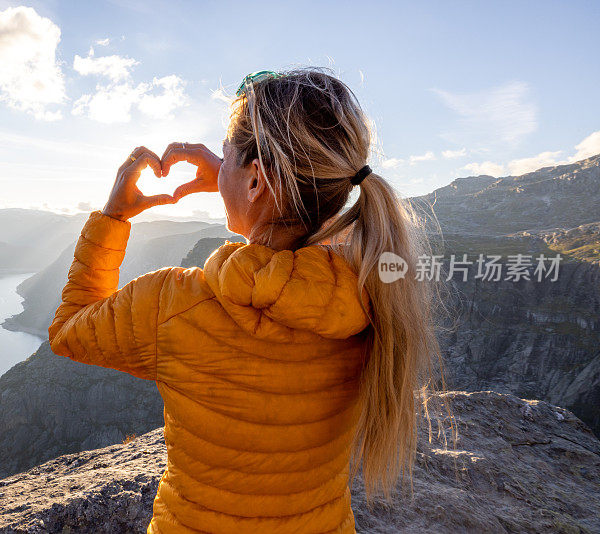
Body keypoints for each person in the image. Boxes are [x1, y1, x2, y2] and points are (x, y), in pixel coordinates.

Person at [49, 67, 452, 533]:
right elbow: (293, 242)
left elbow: (69, 330)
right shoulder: (371, 296)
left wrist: (112, 216)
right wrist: (240, 181)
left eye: (226, 156)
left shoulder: (174, 304)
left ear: (258, 180)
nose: (219, 166)